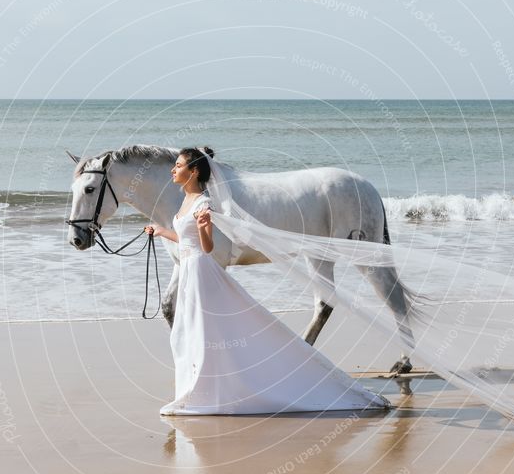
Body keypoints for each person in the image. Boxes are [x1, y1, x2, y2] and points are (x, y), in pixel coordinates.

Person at [144, 147, 390, 415]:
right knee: (187, 330)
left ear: (193, 172)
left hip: (202, 271)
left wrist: (205, 226)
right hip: (191, 271)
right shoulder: (184, 201)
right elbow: (185, 241)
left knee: (207, 329)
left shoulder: (203, 203)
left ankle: (214, 388)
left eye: (178, 165)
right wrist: (160, 231)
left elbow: (206, 247)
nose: (173, 169)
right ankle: (196, 385)